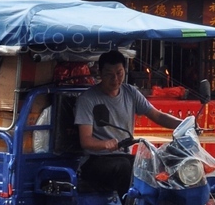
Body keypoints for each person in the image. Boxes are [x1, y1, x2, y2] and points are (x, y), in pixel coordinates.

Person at [74, 49, 181, 195]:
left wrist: (184, 124)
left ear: (125, 70)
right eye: (109, 74)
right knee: (126, 167)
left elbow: (157, 116)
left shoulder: (130, 92)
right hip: (95, 160)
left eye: (119, 73)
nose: (115, 79)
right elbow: (85, 140)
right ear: (100, 73)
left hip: (123, 156)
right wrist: (105, 144)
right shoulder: (87, 99)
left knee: (153, 165)